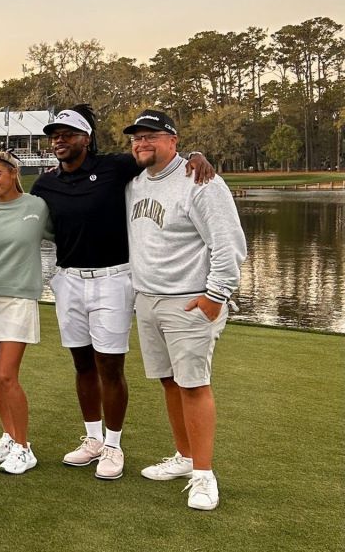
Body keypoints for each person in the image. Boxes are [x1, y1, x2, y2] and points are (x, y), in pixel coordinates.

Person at [30, 104, 213, 480]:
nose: (59, 140)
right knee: (82, 363)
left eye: (68, 133)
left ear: (87, 138)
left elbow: (163, 157)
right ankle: (93, 439)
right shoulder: (45, 183)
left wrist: (196, 155)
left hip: (114, 279)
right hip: (67, 279)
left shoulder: (116, 167)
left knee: (109, 365)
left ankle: (113, 445)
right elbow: (25, 215)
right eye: (54, 134)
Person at [123, 109, 246, 510]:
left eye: (151, 136)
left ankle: (204, 476)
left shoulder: (201, 180)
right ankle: (185, 457)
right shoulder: (135, 184)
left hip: (190, 299)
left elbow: (228, 244)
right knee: (169, 382)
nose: (142, 143)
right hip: (148, 299)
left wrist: (216, 295)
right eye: (136, 137)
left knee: (193, 384)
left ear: (173, 141)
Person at [0, 150, 52, 475]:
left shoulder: (37, 207)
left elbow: (67, 234)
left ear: (12, 172)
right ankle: (8, 435)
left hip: (19, 300)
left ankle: (24, 447)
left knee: (8, 375)